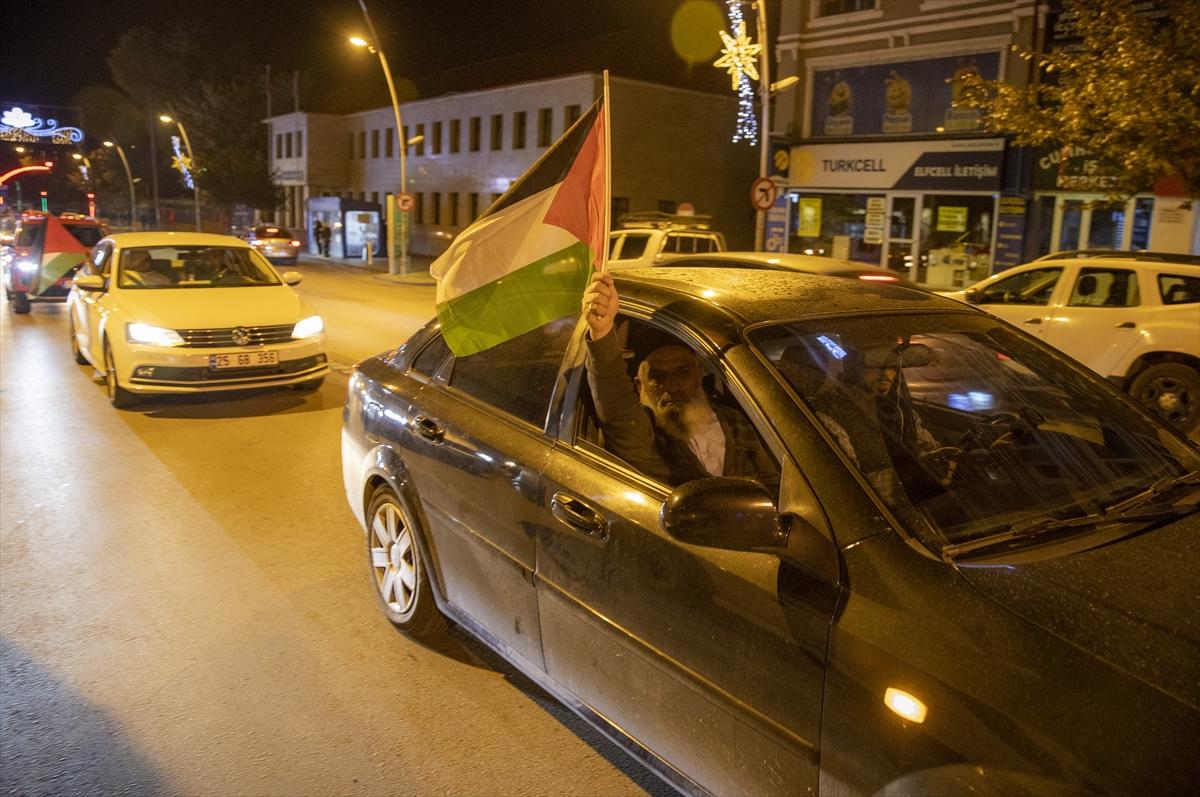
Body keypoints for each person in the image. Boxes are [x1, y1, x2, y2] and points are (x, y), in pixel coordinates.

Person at [581, 271, 779, 491]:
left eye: (682, 372)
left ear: (698, 372)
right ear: (640, 386)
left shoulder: (735, 422)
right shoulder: (645, 437)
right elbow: (613, 396)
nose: (673, 386)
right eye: (658, 376)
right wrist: (601, 331)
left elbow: (773, 484)